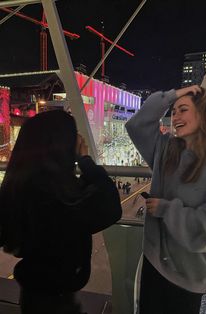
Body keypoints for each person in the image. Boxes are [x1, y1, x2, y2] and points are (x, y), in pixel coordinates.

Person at [125, 85, 206, 314]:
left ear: (203, 114)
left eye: (183, 110)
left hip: (192, 279)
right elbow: (137, 125)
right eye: (173, 111)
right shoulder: (167, 151)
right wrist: (172, 96)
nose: (175, 117)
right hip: (155, 265)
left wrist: (168, 210)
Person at [0, 110, 122, 314]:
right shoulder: (58, 196)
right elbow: (110, 207)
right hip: (57, 303)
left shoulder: (21, 185)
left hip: (33, 294)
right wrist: (85, 160)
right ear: (61, 145)